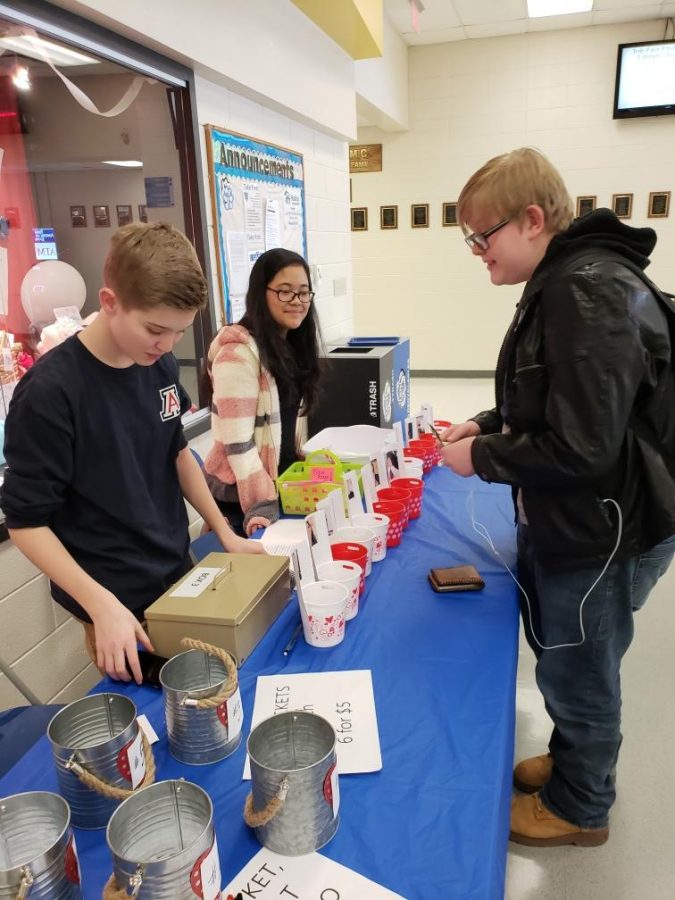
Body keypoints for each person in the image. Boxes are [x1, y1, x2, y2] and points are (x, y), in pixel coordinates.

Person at [440, 148, 675, 847]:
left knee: (579, 667)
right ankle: (573, 761)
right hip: (596, 516)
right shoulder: (572, 280)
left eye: (482, 238)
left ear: (532, 219)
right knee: (568, 654)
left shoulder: (583, 289)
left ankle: (581, 805)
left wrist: (479, 457)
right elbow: (555, 399)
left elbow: (582, 448)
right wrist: (486, 424)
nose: (477, 254)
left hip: (603, 528)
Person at [0, 222, 264, 684]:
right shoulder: (49, 393)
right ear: (109, 303)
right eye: (155, 329)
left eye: (179, 332)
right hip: (109, 586)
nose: (167, 345)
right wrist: (100, 605)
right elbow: (26, 522)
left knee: (215, 683)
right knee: (156, 707)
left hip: (173, 565)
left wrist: (224, 531)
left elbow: (177, 450)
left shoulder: (156, 362)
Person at [203, 248, 322, 536]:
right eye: (284, 291)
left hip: (277, 487)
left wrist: (300, 461)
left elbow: (279, 427)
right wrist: (262, 505)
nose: (297, 301)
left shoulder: (288, 346)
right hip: (244, 500)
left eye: (304, 292)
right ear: (261, 293)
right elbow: (238, 445)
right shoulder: (237, 354)